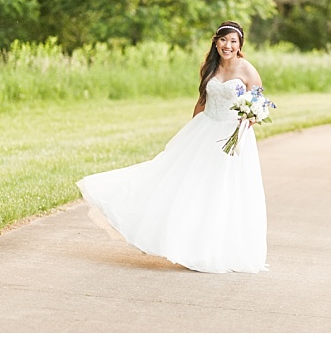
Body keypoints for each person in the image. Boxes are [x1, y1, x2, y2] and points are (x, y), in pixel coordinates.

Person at [76, 21, 268, 273]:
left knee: (223, 191)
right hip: (205, 130)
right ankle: (181, 242)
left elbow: (259, 104)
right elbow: (202, 101)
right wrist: (191, 134)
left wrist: (249, 119)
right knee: (187, 185)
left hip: (233, 136)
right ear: (215, 41)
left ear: (240, 45)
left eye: (233, 41)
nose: (227, 46)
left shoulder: (248, 70)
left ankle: (216, 250)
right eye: (223, 40)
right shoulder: (209, 68)